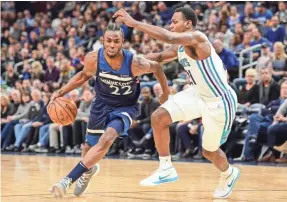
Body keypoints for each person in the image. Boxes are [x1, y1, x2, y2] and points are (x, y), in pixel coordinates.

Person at [114, 7, 239, 199]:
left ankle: (229, 173)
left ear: (188, 23)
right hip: (198, 94)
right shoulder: (181, 46)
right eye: (171, 22)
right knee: (159, 117)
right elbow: (159, 57)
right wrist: (125, 63)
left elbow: (169, 37)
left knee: (209, 151)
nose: (171, 25)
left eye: (175, 21)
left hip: (219, 101)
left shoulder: (198, 38)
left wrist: (135, 23)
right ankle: (166, 168)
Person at [49, 23, 169, 198]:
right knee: (88, 147)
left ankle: (66, 180)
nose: (112, 45)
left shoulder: (135, 62)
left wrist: (165, 93)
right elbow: (82, 76)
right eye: (109, 41)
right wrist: (60, 92)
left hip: (125, 107)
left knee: (107, 139)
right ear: (103, 41)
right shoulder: (93, 59)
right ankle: (87, 171)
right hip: (101, 105)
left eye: (116, 41)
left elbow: (157, 68)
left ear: (122, 42)